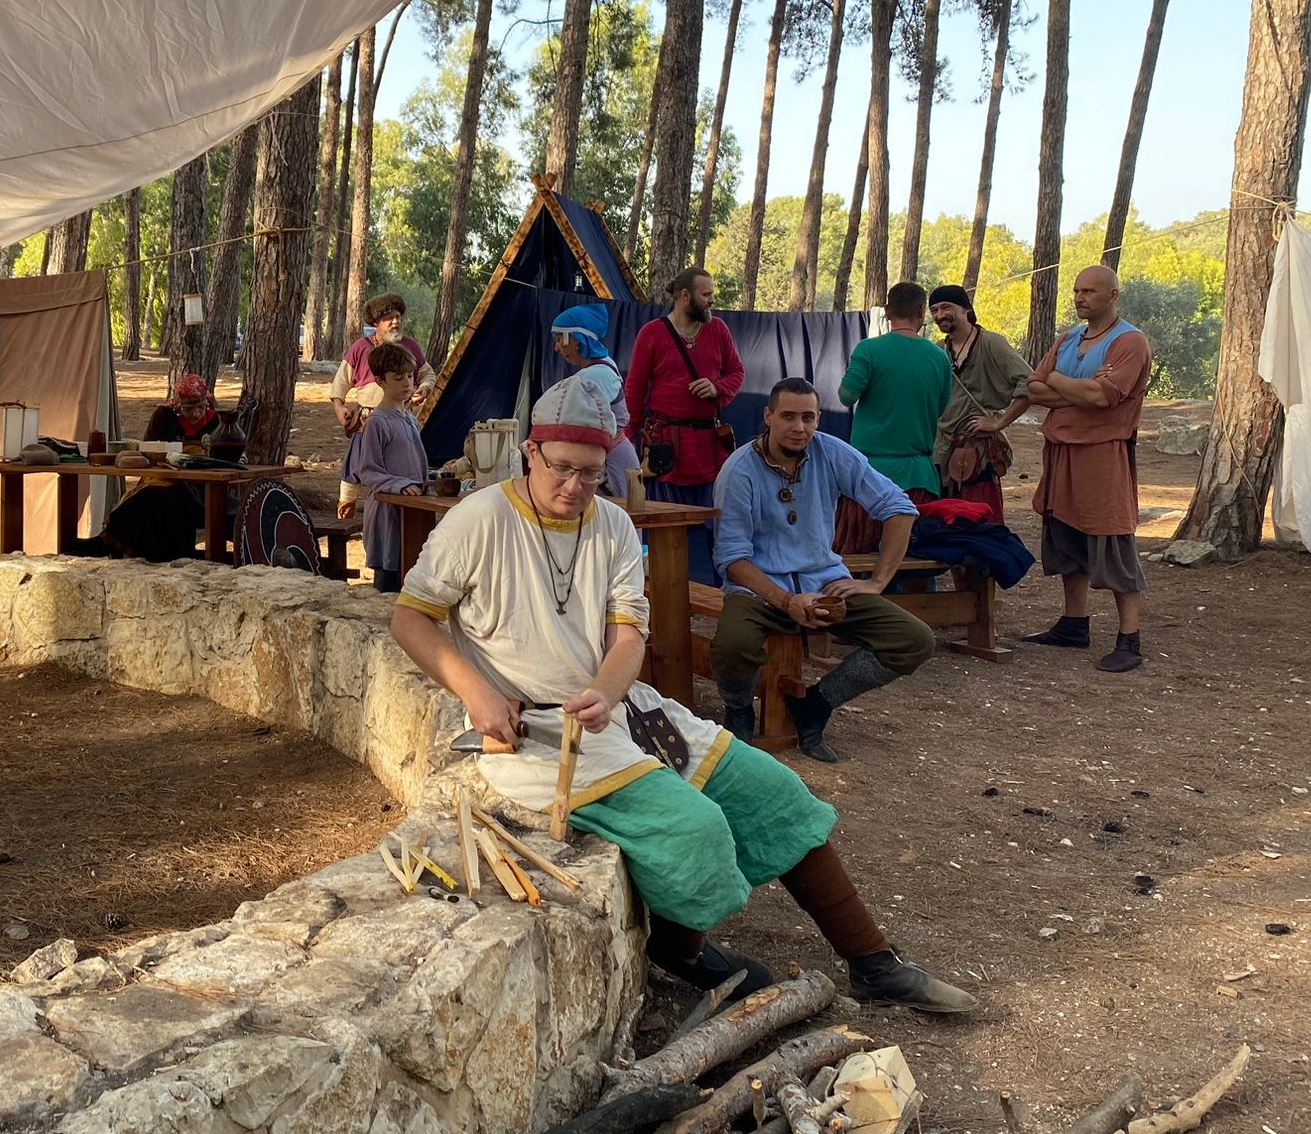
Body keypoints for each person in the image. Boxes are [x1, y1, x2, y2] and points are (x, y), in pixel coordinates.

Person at [389, 373, 975, 1013]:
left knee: (777, 794)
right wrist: (475, 691)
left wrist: (610, 693)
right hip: (535, 738)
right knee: (696, 829)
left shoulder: (611, 523)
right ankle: (681, 948)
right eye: (561, 469)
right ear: (531, 451)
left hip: (624, 711)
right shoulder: (478, 519)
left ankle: (874, 962)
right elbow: (410, 617)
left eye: (591, 474)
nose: (575, 487)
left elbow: (627, 633)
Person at [711, 379, 937, 763]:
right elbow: (733, 559)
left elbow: (898, 507)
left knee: (914, 640)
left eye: (808, 417)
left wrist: (876, 582)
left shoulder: (832, 453)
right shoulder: (739, 471)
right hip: (760, 590)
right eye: (788, 416)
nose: (799, 427)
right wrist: (785, 600)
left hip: (826, 583)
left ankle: (816, 705)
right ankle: (738, 710)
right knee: (732, 646)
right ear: (768, 417)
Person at [1022, 266, 1154, 674]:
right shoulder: (1068, 339)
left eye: (1089, 291)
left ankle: (1128, 639)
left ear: (1112, 295)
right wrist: (1073, 389)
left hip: (1102, 455)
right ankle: (1073, 623)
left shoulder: (1129, 342)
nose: (1080, 298)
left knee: (1111, 542)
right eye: (1077, 291)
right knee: (1066, 538)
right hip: (1061, 452)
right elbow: (1032, 387)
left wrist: (1059, 383)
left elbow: (1102, 396)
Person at [624, 268, 743, 583]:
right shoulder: (652, 333)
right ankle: (668, 596)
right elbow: (634, 390)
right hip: (668, 450)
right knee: (666, 527)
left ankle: (724, 593)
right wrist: (626, 441)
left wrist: (718, 388)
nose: (711, 301)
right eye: (706, 295)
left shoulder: (717, 330)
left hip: (708, 449)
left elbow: (736, 371)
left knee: (720, 526)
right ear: (685, 296)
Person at [928, 285, 1033, 521]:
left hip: (977, 450)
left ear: (966, 309)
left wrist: (999, 422)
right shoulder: (936, 351)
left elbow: (1030, 382)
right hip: (941, 449)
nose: (939, 315)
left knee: (982, 521)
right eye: (934, 310)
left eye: (946, 307)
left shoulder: (991, 343)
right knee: (941, 520)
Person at [839, 283, 951, 497]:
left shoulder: (868, 350)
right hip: (919, 478)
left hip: (869, 475)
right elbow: (940, 409)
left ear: (888, 311)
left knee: (867, 532)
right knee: (914, 532)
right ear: (920, 312)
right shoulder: (939, 357)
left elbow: (846, 396)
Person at [332, 293, 435, 518]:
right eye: (389, 317)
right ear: (376, 323)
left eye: (397, 316)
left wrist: (424, 388)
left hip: (402, 419)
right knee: (352, 477)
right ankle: (344, 525)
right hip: (366, 422)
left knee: (403, 468)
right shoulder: (360, 348)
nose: (395, 321)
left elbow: (427, 373)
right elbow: (340, 382)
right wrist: (340, 408)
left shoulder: (410, 346)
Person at [348, 344, 430, 592]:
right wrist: (400, 485)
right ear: (380, 381)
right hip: (387, 516)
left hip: (411, 514)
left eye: (409, 376)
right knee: (387, 581)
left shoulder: (410, 418)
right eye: (398, 378)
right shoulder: (377, 423)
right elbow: (368, 471)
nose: (407, 383)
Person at [550, 302, 641, 498]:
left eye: (559, 340)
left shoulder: (595, 376)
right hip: (606, 458)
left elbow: (571, 422)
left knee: (618, 521)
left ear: (576, 340)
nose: (556, 348)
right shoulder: (601, 366)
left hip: (611, 462)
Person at [144, 373, 220, 450]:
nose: (196, 414)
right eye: (189, 408)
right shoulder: (164, 416)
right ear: (178, 406)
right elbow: (148, 447)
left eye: (201, 407)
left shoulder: (213, 419)